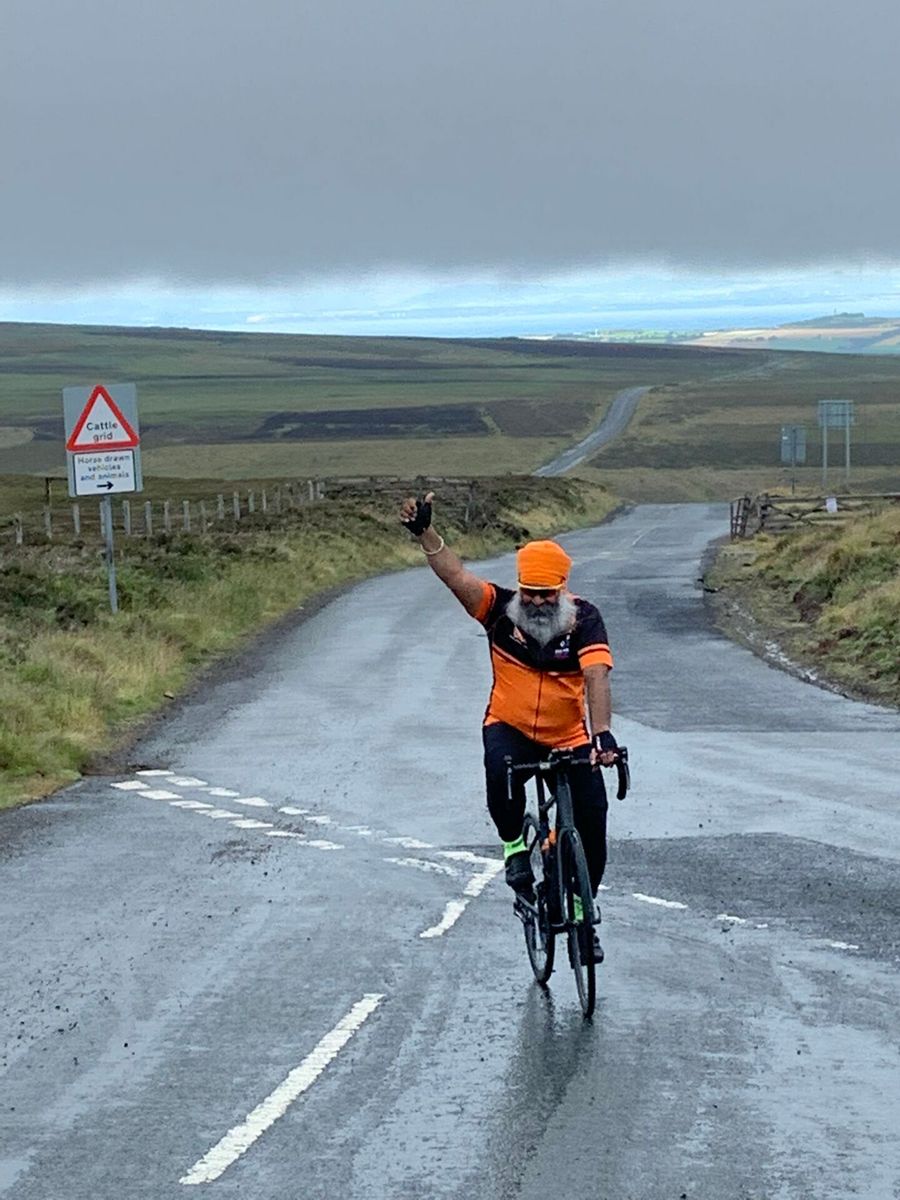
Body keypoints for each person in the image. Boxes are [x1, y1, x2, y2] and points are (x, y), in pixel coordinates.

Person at [400, 491, 619, 959]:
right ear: (520, 588)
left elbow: (597, 675)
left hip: (568, 735)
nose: (537, 601)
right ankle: (514, 847)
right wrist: (425, 533)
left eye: (547, 593)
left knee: (594, 822)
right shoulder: (498, 610)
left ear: (563, 588)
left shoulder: (584, 619)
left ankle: (582, 909)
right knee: (500, 773)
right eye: (530, 592)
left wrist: (602, 734)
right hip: (510, 725)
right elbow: (456, 576)